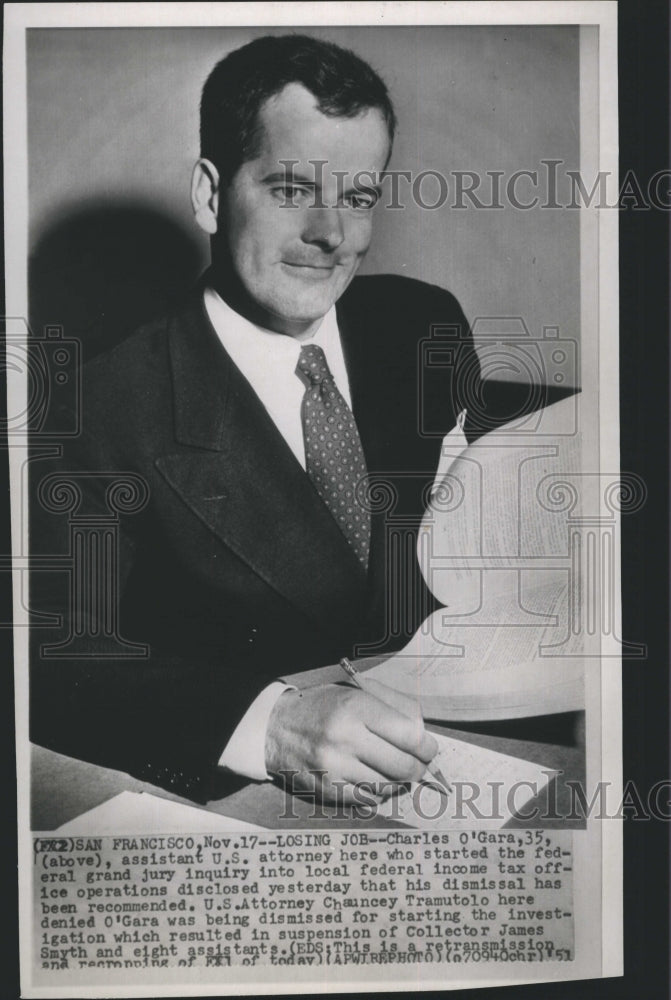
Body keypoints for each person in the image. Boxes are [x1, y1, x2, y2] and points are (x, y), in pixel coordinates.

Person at [29, 34, 481, 806]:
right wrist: (269, 725)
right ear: (209, 194)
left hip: (455, 749)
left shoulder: (421, 325)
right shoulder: (95, 404)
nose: (330, 233)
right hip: (243, 795)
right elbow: (51, 660)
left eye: (359, 197)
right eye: (290, 188)